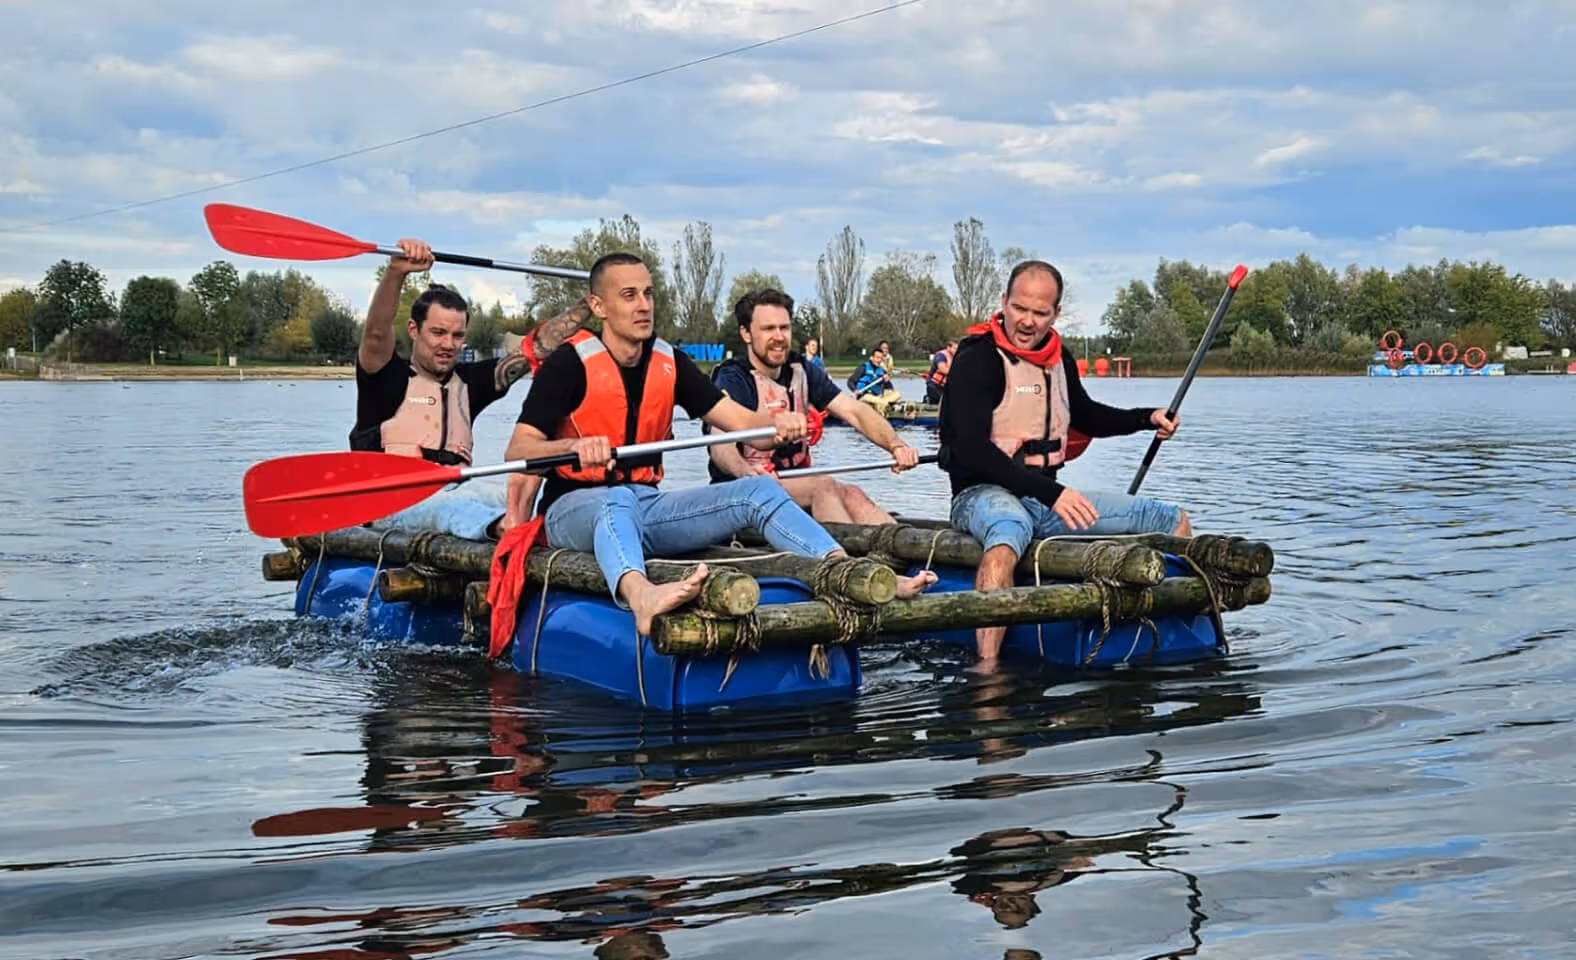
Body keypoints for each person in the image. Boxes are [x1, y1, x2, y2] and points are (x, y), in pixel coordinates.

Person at [499, 253, 934, 636]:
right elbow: (518, 450)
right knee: (615, 500)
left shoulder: (669, 362)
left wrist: (774, 425)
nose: (644, 305)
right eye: (629, 295)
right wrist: (573, 449)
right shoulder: (568, 364)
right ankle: (640, 596)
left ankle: (849, 572)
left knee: (759, 490)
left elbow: (742, 423)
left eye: (648, 294)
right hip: (573, 511)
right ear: (599, 306)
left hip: (645, 505)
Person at [938, 259, 1186, 669]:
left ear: (1055, 314)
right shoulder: (977, 359)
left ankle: (1180, 633)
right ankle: (987, 672)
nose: (1028, 322)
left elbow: (1086, 415)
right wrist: (1053, 494)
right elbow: (972, 450)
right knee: (1008, 531)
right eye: (1020, 308)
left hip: (1042, 498)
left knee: (1167, 517)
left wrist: (1146, 418)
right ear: (1004, 302)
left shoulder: (1059, 359)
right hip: (980, 494)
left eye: (1040, 313)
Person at [350, 237, 591, 539]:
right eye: (438, 333)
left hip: (459, 488)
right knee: (453, 507)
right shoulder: (384, 378)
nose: (448, 345)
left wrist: (593, 301)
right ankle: (507, 529)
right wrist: (396, 272)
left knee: (509, 494)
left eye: (457, 335)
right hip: (394, 503)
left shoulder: (471, 384)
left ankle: (553, 528)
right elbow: (375, 333)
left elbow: (539, 347)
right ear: (414, 330)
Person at [705, 288, 931, 528]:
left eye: (784, 328)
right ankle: (850, 564)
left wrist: (895, 445)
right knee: (823, 487)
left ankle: (909, 561)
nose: (779, 337)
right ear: (746, 333)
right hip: (741, 493)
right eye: (768, 329)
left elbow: (854, 411)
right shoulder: (732, 378)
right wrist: (746, 473)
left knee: (852, 493)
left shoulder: (799, 369)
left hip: (789, 485)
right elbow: (720, 445)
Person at [851, 345, 901, 413]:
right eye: (877, 358)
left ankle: (882, 404)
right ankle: (884, 405)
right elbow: (850, 381)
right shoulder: (863, 368)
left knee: (897, 394)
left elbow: (890, 388)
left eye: (881, 358)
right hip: (865, 396)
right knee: (870, 398)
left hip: (878, 397)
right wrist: (855, 390)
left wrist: (887, 382)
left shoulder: (882, 371)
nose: (879, 360)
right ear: (871, 358)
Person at [924, 338, 957, 405]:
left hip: (945, 386)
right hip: (934, 385)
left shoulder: (956, 357)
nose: (957, 351)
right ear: (948, 347)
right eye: (955, 348)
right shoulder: (941, 355)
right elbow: (943, 369)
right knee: (938, 403)